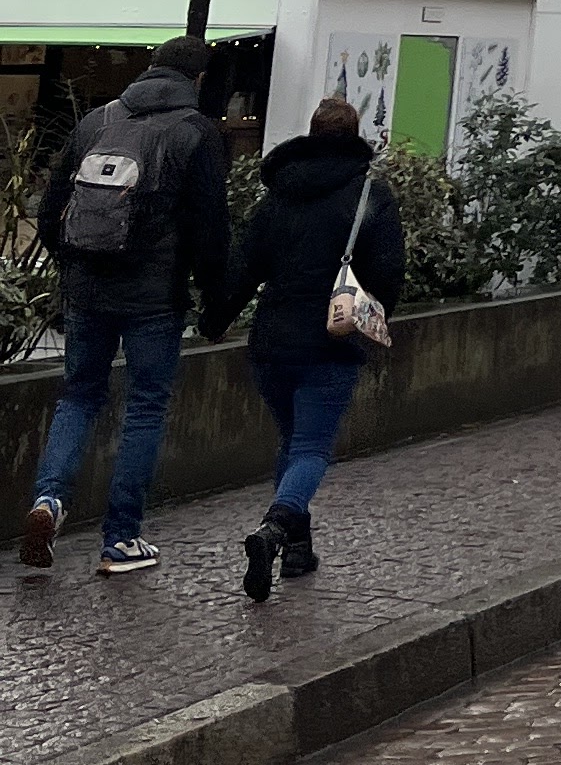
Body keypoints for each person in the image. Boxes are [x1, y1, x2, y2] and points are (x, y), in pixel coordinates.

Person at [20, 40, 230, 579]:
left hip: (87, 292)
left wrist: (74, 269)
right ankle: (120, 539)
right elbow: (210, 229)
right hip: (154, 300)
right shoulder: (196, 132)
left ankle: (48, 500)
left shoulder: (97, 120)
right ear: (198, 80)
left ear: (151, 68)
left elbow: (52, 209)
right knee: (144, 408)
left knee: (78, 396)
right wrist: (215, 301)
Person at [218, 94, 408, 598]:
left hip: (271, 343)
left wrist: (214, 321)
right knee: (310, 448)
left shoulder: (279, 194)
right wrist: (374, 314)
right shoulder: (369, 195)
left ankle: (298, 550)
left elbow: (243, 267)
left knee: (291, 441)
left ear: (311, 132)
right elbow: (388, 271)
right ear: (356, 136)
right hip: (330, 342)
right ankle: (275, 528)